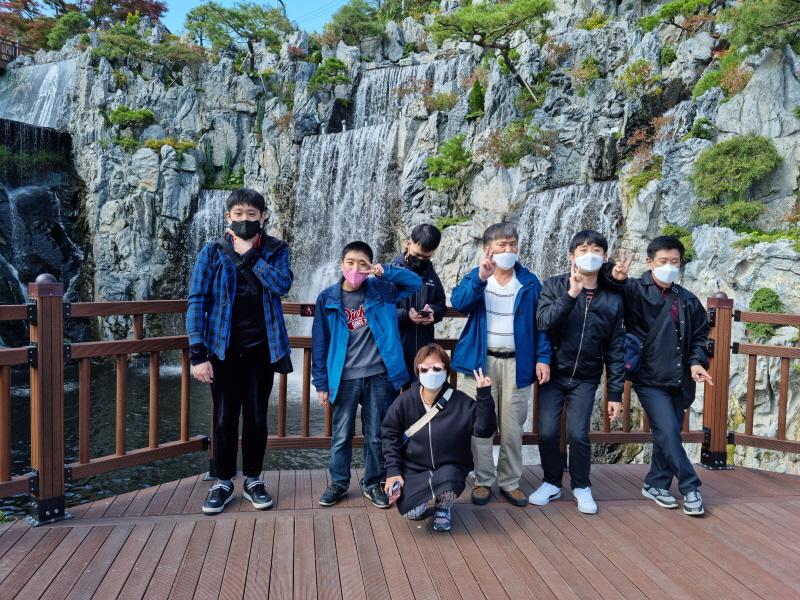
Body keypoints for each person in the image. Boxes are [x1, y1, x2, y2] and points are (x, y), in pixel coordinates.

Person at [186, 188, 293, 515]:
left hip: (263, 349)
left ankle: (253, 480)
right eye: (238, 214)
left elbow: (282, 284)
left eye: (251, 214)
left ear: (263, 217)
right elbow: (197, 300)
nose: (245, 219)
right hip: (223, 350)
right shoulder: (212, 252)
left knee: (257, 419)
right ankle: (222, 482)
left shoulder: (276, 249)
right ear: (228, 216)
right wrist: (197, 355)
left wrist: (251, 255)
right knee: (224, 418)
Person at [603, 235, 712, 517]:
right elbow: (608, 288)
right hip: (649, 378)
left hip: (680, 379)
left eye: (675, 262)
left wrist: (696, 363)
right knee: (668, 431)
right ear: (650, 262)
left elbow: (700, 337)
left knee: (668, 434)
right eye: (663, 261)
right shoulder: (634, 289)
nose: (669, 266)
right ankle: (690, 487)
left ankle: (655, 484)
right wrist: (615, 277)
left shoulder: (688, 300)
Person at [312, 241, 422, 508]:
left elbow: (415, 283)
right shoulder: (327, 298)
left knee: (376, 435)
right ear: (341, 265)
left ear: (370, 266)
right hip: (344, 377)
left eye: (362, 264)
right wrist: (321, 383)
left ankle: (373, 482)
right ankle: (339, 482)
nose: (355, 269)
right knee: (341, 435)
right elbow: (320, 343)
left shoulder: (381, 290)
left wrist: (385, 272)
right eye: (350, 262)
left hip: (379, 375)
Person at [451, 222, 551, 507]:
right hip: (480, 363)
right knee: (480, 425)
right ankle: (483, 480)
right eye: (502, 244)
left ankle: (510, 482)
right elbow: (459, 303)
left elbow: (541, 325)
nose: (508, 249)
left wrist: (543, 358)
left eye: (512, 244)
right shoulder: (477, 276)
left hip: (517, 364)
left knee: (512, 427)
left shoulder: (529, 282)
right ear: (488, 248)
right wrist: (480, 278)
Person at [529, 230, 625, 514]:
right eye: (583, 250)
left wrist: (615, 393)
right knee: (547, 432)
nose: (589, 255)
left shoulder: (613, 297)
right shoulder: (554, 285)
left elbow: (616, 347)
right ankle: (551, 482)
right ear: (571, 256)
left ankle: (582, 486)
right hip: (554, 372)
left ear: (605, 257)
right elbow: (544, 322)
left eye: (596, 250)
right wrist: (571, 294)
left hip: (586, 375)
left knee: (578, 433)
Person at [382, 344, 497, 531]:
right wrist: (393, 471)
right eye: (425, 369)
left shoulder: (461, 401)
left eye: (437, 368)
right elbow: (390, 435)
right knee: (411, 512)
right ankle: (428, 501)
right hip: (414, 468)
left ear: (446, 370)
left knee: (449, 483)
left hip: (450, 467)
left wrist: (483, 395)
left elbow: (485, 430)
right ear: (417, 371)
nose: (431, 373)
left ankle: (443, 507)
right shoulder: (404, 401)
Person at [392, 224, 447, 387]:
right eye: (417, 255)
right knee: (392, 400)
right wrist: (405, 315)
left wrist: (433, 313)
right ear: (408, 243)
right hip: (395, 350)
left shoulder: (432, 275)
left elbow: (441, 306)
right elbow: (380, 310)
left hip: (423, 354)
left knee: (420, 398)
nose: (421, 260)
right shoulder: (392, 272)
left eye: (426, 257)